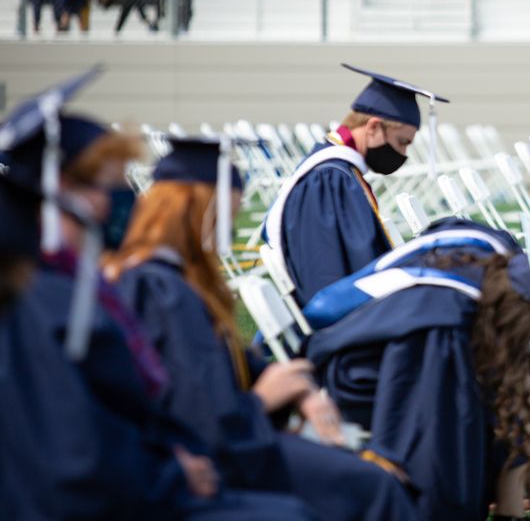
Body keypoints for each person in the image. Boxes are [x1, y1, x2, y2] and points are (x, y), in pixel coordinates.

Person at [0, 75, 320, 521]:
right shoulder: (53, 301)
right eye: (100, 187)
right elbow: (75, 449)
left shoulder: (85, 288)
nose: (110, 205)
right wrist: (177, 465)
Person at [108, 138, 419, 521]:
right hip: (222, 457)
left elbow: (226, 366)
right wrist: (264, 401)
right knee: (373, 487)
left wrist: (290, 386)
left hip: (240, 440)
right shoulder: (160, 290)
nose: (231, 230)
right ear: (201, 211)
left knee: (373, 476)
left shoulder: (176, 281)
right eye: (229, 216)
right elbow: (201, 417)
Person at [303, 219, 530, 520]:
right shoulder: (447, 313)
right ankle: (522, 504)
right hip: (358, 379)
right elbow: (430, 410)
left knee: (520, 378)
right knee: (512, 381)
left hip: (377, 359)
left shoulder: (473, 271)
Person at [264, 64, 445, 306]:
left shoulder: (338, 172)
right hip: (341, 322)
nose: (403, 153)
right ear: (372, 127)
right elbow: (332, 273)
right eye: (402, 142)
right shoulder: (329, 180)